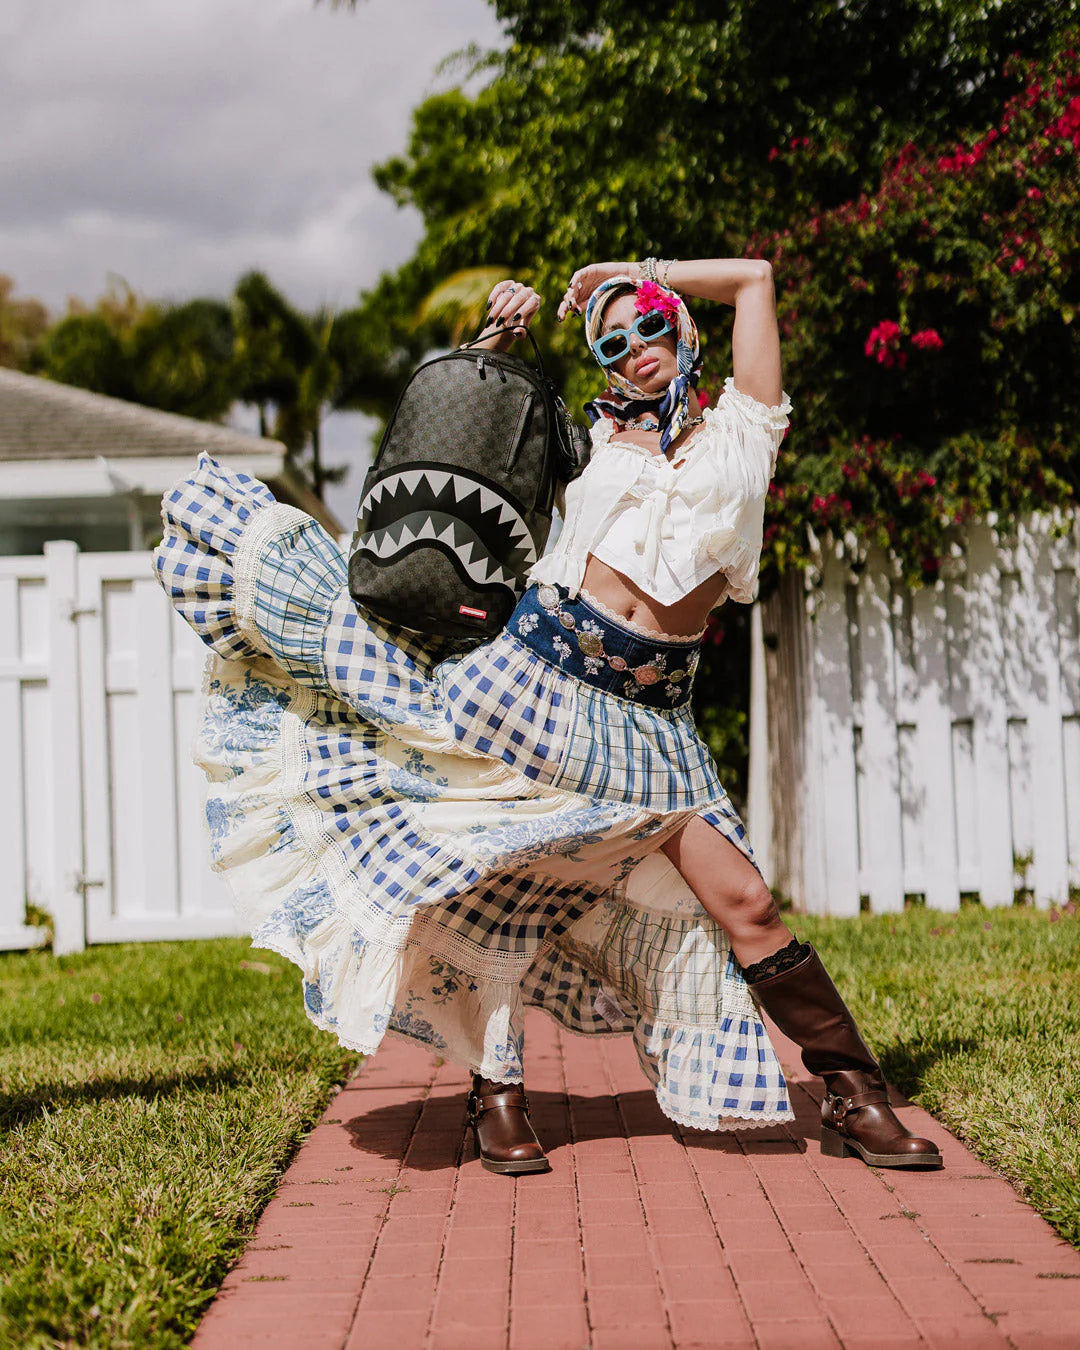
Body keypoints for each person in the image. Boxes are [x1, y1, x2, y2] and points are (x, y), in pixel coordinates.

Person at [154, 255, 942, 1176]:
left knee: (747, 904)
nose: (635, 348)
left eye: (650, 324)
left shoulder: (742, 430)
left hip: (655, 720)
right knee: (498, 889)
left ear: (681, 328)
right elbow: (472, 432)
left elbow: (756, 280)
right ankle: (496, 1094)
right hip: (536, 686)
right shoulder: (589, 442)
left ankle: (854, 1096)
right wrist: (501, 335)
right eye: (611, 342)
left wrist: (630, 271)